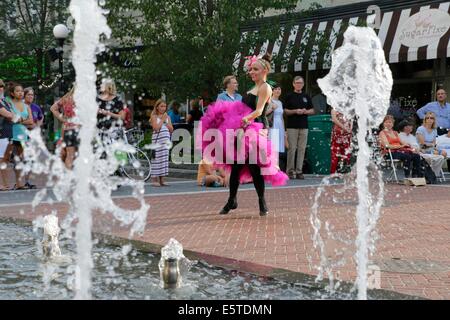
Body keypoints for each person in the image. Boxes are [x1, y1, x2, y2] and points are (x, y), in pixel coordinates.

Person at [199, 53, 288, 217]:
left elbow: (259, 111)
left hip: (256, 128)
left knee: (254, 167)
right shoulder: (252, 88)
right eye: (250, 69)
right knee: (236, 166)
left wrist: (245, 119)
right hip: (243, 128)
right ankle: (232, 200)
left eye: (255, 69)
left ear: (264, 70)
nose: (251, 72)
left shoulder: (265, 87)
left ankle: (262, 201)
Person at [3, 82, 34, 189]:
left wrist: (19, 120)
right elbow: (9, 118)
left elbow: (31, 121)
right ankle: (4, 184)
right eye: (17, 91)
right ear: (12, 93)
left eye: (21, 91)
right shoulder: (8, 103)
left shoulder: (26, 106)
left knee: (21, 159)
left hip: (23, 135)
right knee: (6, 159)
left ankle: (20, 184)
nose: (20, 93)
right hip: (10, 134)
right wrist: (20, 120)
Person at [284, 76, 314, 180]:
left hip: (304, 126)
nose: (298, 85)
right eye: (297, 83)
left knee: (302, 149)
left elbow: (312, 110)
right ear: (293, 84)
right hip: (292, 126)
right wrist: (295, 111)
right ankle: (290, 171)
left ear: (303, 84)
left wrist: (305, 111)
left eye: (300, 83)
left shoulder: (306, 96)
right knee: (292, 149)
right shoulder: (289, 96)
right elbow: (285, 111)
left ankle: (299, 171)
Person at [50, 87, 80, 169]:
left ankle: (68, 179)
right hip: (80, 130)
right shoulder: (84, 98)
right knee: (81, 156)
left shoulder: (66, 98)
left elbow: (52, 108)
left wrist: (62, 119)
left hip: (68, 130)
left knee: (70, 155)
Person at [0, 81, 19, 191]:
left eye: (1, 86)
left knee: (5, 160)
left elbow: (13, 115)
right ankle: (2, 184)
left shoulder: (5, 102)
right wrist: (15, 116)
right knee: (1, 160)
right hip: (1, 134)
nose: (0, 89)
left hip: (8, 133)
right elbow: (10, 115)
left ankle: (5, 184)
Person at [150, 98, 173, 187]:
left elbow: (171, 129)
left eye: (165, 106)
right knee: (156, 159)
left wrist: (166, 121)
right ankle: (154, 179)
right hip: (157, 141)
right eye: (161, 106)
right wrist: (162, 119)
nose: (163, 108)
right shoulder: (154, 116)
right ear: (157, 107)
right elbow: (156, 128)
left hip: (165, 141)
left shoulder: (167, 117)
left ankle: (162, 179)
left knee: (164, 159)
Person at [266, 84, 286, 172]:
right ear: (272, 91)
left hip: (280, 126)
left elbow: (282, 118)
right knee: (272, 147)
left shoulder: (280, 103)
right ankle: (270, 168)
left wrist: (284, 131)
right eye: (276, 89)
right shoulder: (269, 101)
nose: (278, 91)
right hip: (272, 125)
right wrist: (271, 109)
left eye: (279, 89)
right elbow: (263, 114)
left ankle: (276, 167)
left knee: (278, 148)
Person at [330, 108, 353, 174]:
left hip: (346, 134)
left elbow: (351, 119)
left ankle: (344, 170)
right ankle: (333, 171)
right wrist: (344, 127)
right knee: (335, 152)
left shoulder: (347, 109)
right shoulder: (334, 109)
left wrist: (350, 128)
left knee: (346, 152)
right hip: (337, 133)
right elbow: (334, 120)